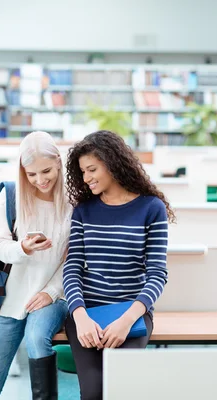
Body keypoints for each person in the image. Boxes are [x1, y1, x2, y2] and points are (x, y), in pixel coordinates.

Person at [63, 131, 175, 400]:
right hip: (87, 314)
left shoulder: (151, 208)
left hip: (131, 314)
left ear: (112, 163)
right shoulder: (83, 210)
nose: (87, 177)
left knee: (121, 390)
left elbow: (157, 274)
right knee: (93, 393)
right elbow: (72, 268)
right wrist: (81, 317)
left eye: (92, 169)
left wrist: (126, 321)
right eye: (83, 171)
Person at [0, 131, 73, 400]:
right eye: (31, 174)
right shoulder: (12, 196)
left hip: (55, 295)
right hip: (13, 298)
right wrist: (23, 248)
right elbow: (0, 248)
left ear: (59, 163)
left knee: (36, 341)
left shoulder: (75, 200)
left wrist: (50, 293)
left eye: (46, 171)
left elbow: (75, 259)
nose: (40, 180)